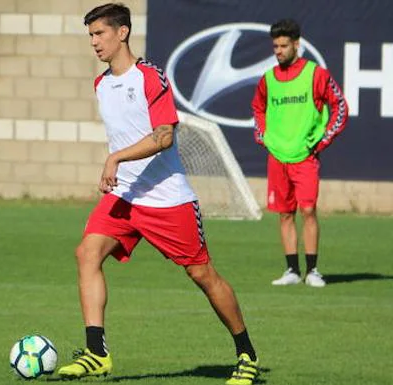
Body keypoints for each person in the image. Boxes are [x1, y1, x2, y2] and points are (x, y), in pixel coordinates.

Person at [57, 4, 258, 385]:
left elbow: (165, 136)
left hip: (167, 199)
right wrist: (119, 168)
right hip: (125, 198)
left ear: (123, 33)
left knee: (201, 273)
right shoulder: (101, 84)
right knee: (86, 253)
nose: (94, 42)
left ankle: (246, 353)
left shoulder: (151, 78)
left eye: (100, 33)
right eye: (90, 35)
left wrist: (116, 157)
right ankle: (96, 352)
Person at [252, 19, 348, 288]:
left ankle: (313, 270)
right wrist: (263, 136)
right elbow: (257, 109)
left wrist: (320, 142)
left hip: (305, 156)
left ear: (296, 45)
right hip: (278, 156)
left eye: (284, 45)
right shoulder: (268, 79)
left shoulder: (316, 75)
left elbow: (339, 107)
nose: (279, 51)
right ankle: (292, 270)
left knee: (308, 210)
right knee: (284, 214)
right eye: (275, 46)